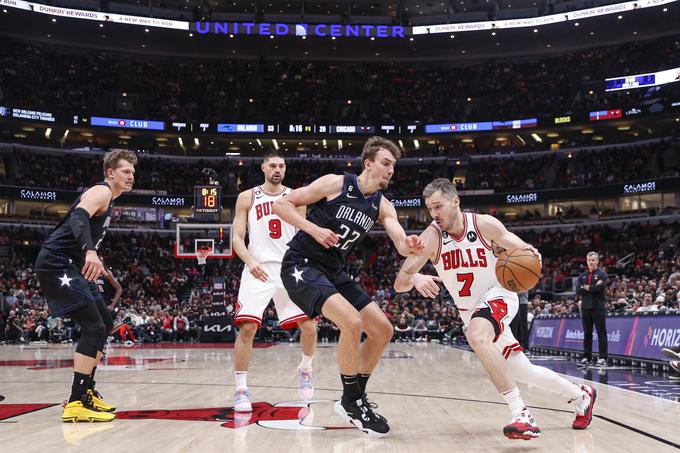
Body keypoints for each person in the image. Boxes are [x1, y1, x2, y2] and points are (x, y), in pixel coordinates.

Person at [394, 178, 596, 440]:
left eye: (438, 207)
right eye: (430, 209)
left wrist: (531, 254)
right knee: (523, 371)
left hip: (499, 294)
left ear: (455, 201)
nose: (434, 214)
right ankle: (581, 395)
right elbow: (399, 282)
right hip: (470, 310)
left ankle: (521, 414)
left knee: (477, 336)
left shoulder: (483, 224)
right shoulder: (431, 237)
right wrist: (415, 278)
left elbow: (524, 250)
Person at [274, 136, 424, 436]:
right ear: (368, 164)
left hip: (333, 271)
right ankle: (354, 403)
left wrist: (409, 244)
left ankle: (352, 397)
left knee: (383, 330)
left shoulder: (383, 206)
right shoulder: (336, 183)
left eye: (393, 165)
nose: (390, 170)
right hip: (301, 264)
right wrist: (314, 229)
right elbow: (282, 204)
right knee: (352, 322)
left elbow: (398, 239)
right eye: (385, 163)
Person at [35, 149, 136, 422]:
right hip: (57, 262)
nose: (131, 177)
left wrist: (90, 256)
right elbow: (78, 216)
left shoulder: (110, 200)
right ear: (111, 172)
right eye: (126, 171)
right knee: (93, 326)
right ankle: (77, 401)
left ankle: (86, 391)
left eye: (133, 173)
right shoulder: (101, 191)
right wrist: (90, 251)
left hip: (73, 264)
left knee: (104, 323)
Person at [231, 150, 317, 412]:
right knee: (247, 328)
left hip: (290, 268)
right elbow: (236, 238)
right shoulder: (247, 197)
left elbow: (305, 234)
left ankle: (305, 368)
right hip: (257, 268)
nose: (277, 169)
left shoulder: (296, 197)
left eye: (281, 165)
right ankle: (241, 389)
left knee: (309, 325)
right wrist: (250, 261)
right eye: (273, 165)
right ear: (263, 168)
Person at [577, 252, 609, 367]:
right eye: (589, 260)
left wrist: (587, 287)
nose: (591, 262)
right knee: (587, 334)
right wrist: (592, 287)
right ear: (587, 261)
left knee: (601, 333)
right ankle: (587, 357)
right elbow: (578, 291)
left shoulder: (602, 274)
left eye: (593, 260)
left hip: (598, 307)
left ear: (597, 261)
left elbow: (599, 288)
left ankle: (603, 358)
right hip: (585, 308)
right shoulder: (582, 276)